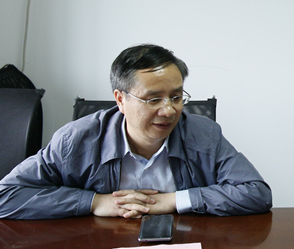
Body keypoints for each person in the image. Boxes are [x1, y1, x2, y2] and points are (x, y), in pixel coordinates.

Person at [0, 44, 272, 219]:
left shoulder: (204, 134)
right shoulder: (75, 140)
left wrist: (175, 200)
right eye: (153, 99)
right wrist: (94, 202)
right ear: (120, 100)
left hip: (182, 247)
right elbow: (7, 195)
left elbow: (256, 193)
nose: (169, 110)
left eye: (176, 97)